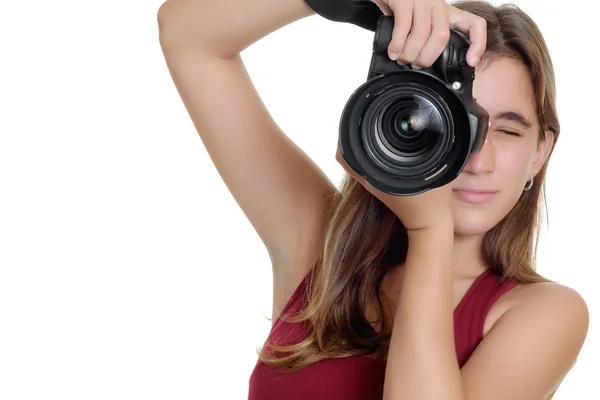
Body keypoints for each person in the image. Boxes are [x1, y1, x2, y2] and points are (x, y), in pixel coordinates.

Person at [157, 0, 589, 398]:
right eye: (456, 123)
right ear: (392, 117)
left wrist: (429, 229)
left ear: (540, 153)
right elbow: (189, 38)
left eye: (509, 131)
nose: (478, 160)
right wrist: (354, 0)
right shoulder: (322, 248)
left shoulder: (547, 314)